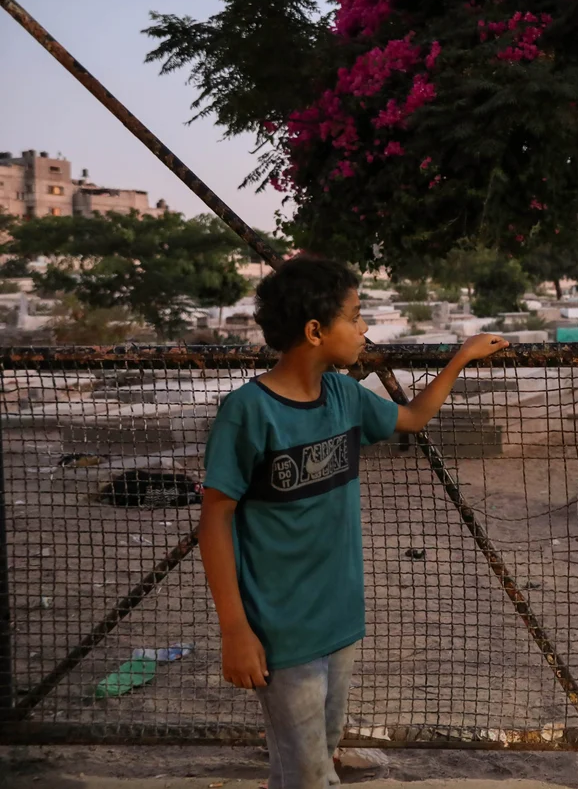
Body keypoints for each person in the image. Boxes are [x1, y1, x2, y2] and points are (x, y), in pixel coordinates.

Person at [198, 256, 508, 788]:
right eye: (356, 316)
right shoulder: (247, 412)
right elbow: (214, 521)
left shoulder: (343, 396)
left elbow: (410, 419)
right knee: (307, 775)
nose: (366, 329)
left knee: (324, 745)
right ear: (316, 331)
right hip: (280, 629)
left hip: (340, 617)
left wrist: (458, 360)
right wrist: (235, 629)